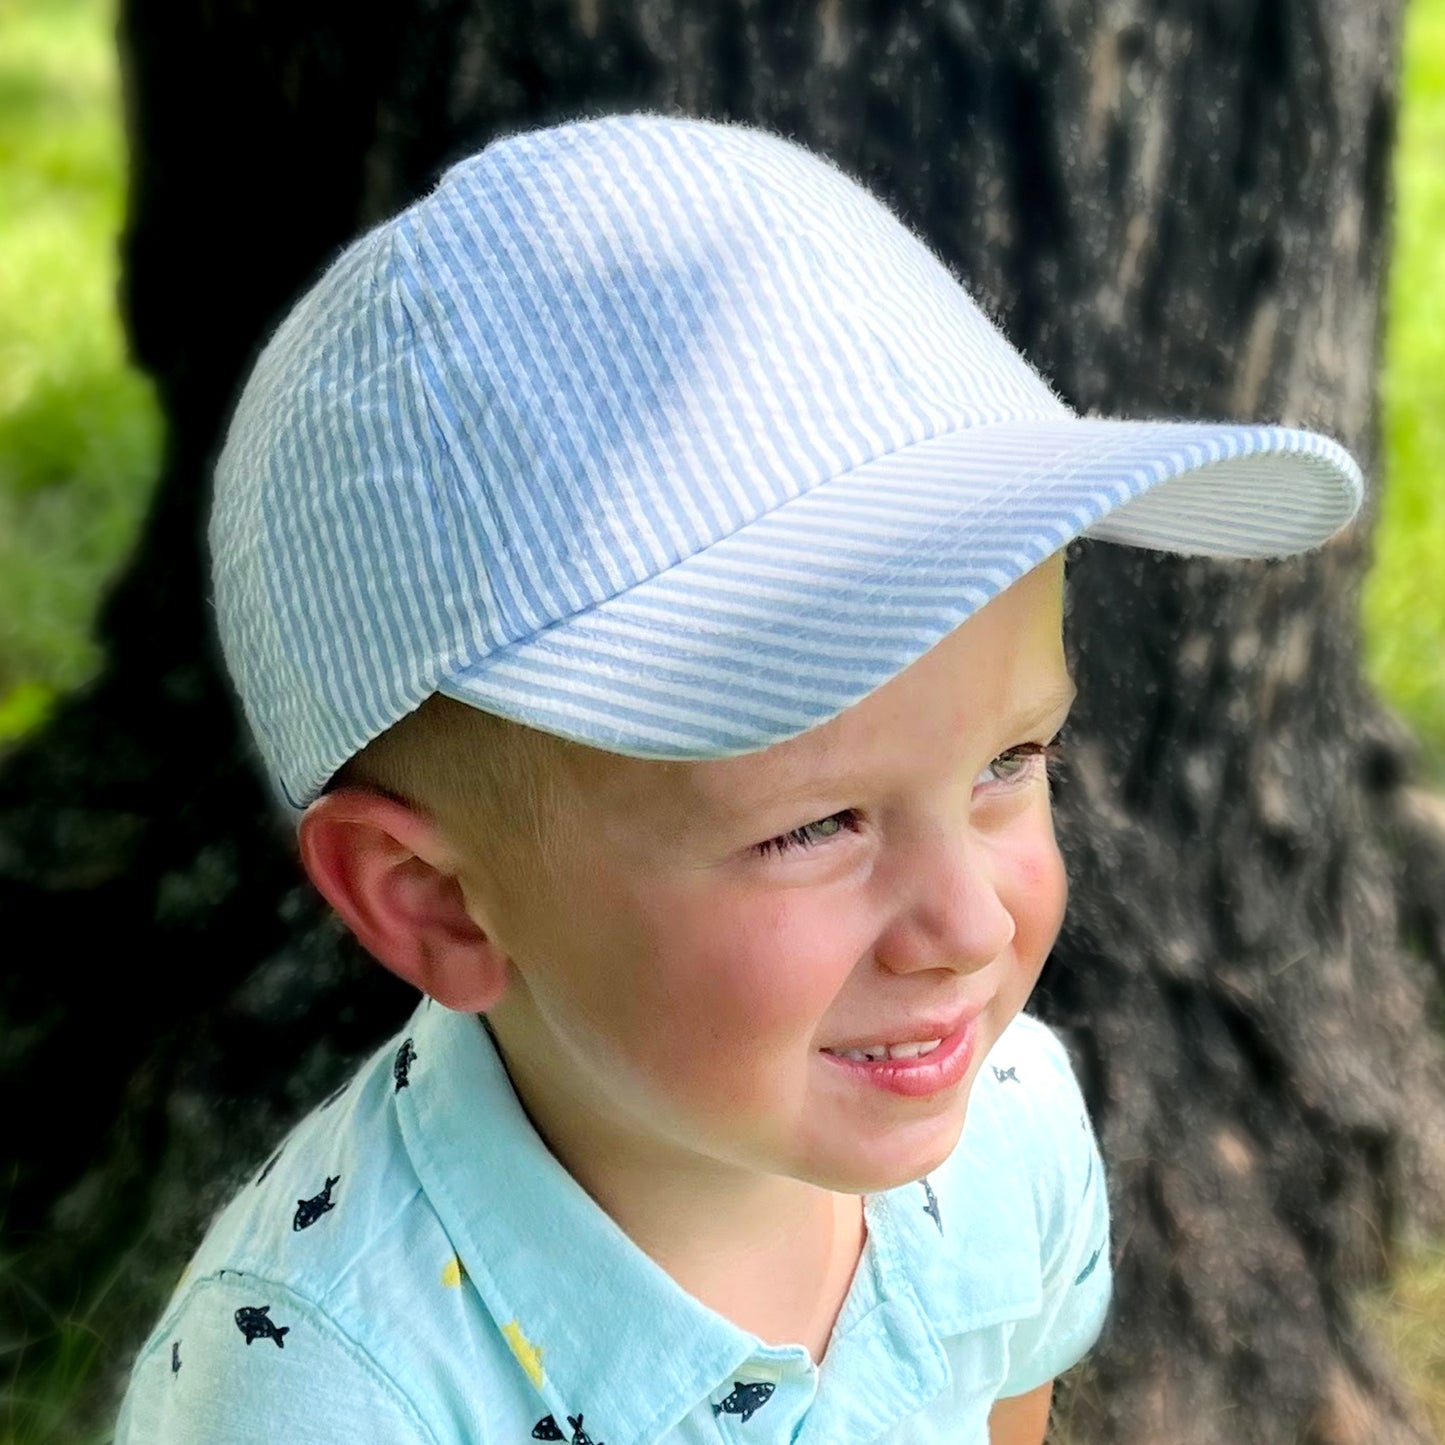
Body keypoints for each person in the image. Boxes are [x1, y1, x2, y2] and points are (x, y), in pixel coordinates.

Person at [114, 113, 1363, 1445]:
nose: (974, 926)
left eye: (1008, 759)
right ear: (437, 902)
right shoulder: (323, 1392)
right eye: (814, 824)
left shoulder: (1005, 1131)